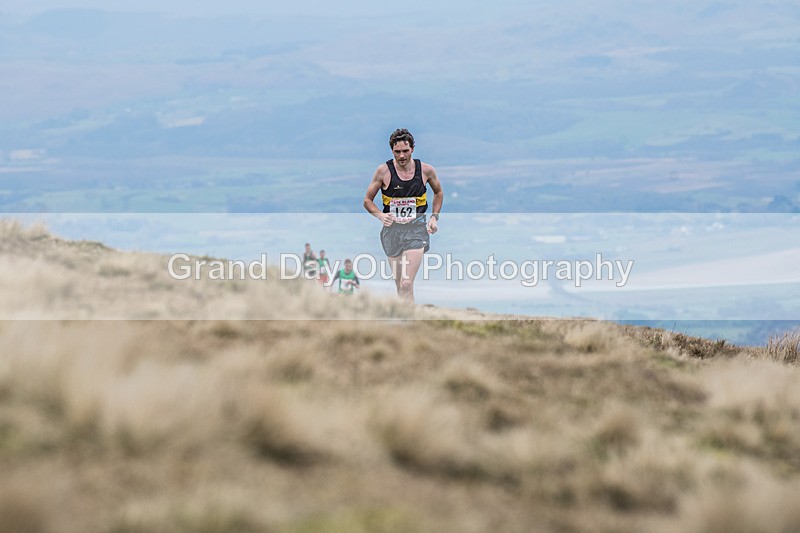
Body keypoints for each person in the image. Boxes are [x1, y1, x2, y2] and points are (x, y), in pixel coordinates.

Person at [363, 128, 443, 302]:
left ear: (412, 149)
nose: (401, 156)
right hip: (392, 231)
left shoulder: (426, 170)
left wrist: (434, 217)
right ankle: (407, 316)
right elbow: (367, 200)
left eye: (405, 151)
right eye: (397, 152)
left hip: (416, 230)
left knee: (406, 283)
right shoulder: (383, 172)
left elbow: (438, 193)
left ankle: (410, 317)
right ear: (392, 150)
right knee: (401, 287)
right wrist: (381, 216)